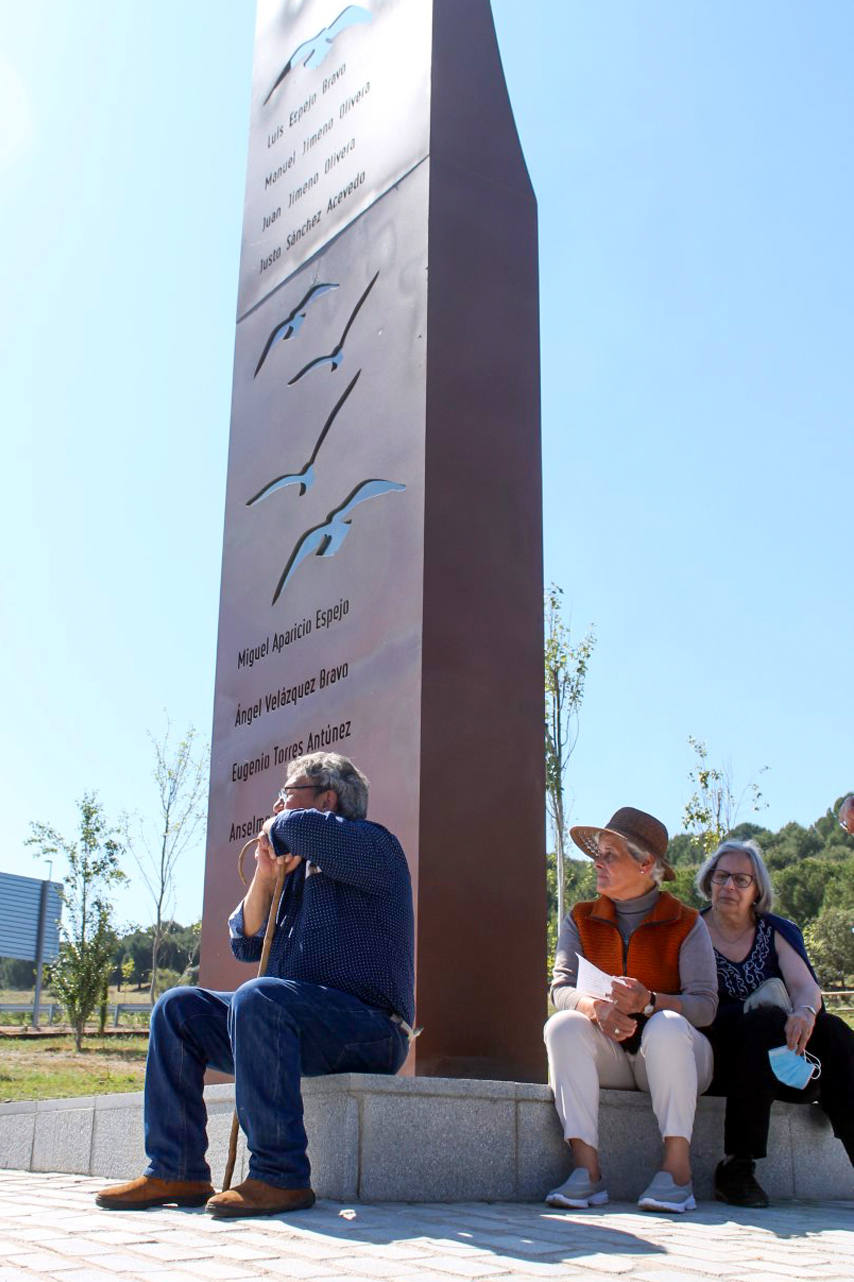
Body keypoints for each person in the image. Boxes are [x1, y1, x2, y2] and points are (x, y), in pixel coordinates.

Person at [96, 752, 415, 1218]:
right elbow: (245, 942)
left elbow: (303, 828)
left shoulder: (372, 845)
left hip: (369, 1028)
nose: (278, 805)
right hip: (293, 1021)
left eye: (287, 794)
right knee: (177, 1008)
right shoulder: (294, 874)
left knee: (258, 996)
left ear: (327, 799)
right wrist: (266, 878)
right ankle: (177, 1168)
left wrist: (283, 825)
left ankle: (280, 1175)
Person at [544, 807, 717, 1214]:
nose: (597, 863)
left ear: (645, 864)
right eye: (597, 854)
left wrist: (652, 1002)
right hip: (614, 1058)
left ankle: (677, 1173)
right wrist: (594, 1009)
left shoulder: (687, 922)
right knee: (563, 1025)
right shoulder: (580, 918)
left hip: (681, 1056)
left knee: (669, 1026)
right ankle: (586, 1173)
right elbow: (561, 989)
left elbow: (706, 1007)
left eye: (610, 855)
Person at [698, 837, 854, 1207]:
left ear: (757, 890)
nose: (729, 887)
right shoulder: (691, 930)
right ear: (708, 881)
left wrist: (803, 1012)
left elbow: (805, 988)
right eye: (721, 877)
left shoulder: (775, 930)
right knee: (763, 1021)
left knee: (835, 1033)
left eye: (741, 879)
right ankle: (737, 1166)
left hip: (784, 1059)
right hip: (723, 1057)